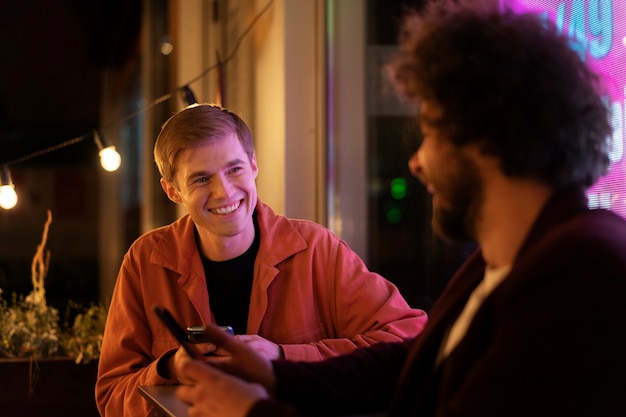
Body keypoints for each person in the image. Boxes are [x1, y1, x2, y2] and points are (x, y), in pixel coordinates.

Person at [173, 3, 626, 417]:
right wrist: (276, 375)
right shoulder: (506, 259)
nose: (416, 161)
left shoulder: (584, 273)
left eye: (429, 133)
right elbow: (415, 363)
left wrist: (253, 413)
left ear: (486, 138)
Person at [95, 103, 428, 416]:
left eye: (234, 169)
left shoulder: (316, 249)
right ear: (173, 191)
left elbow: (410, 338)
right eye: (201, 179)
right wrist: (169, 368)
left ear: (254, 165)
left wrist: (283, 357)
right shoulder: (145, 260)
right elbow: (111, 396)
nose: (224, 192)